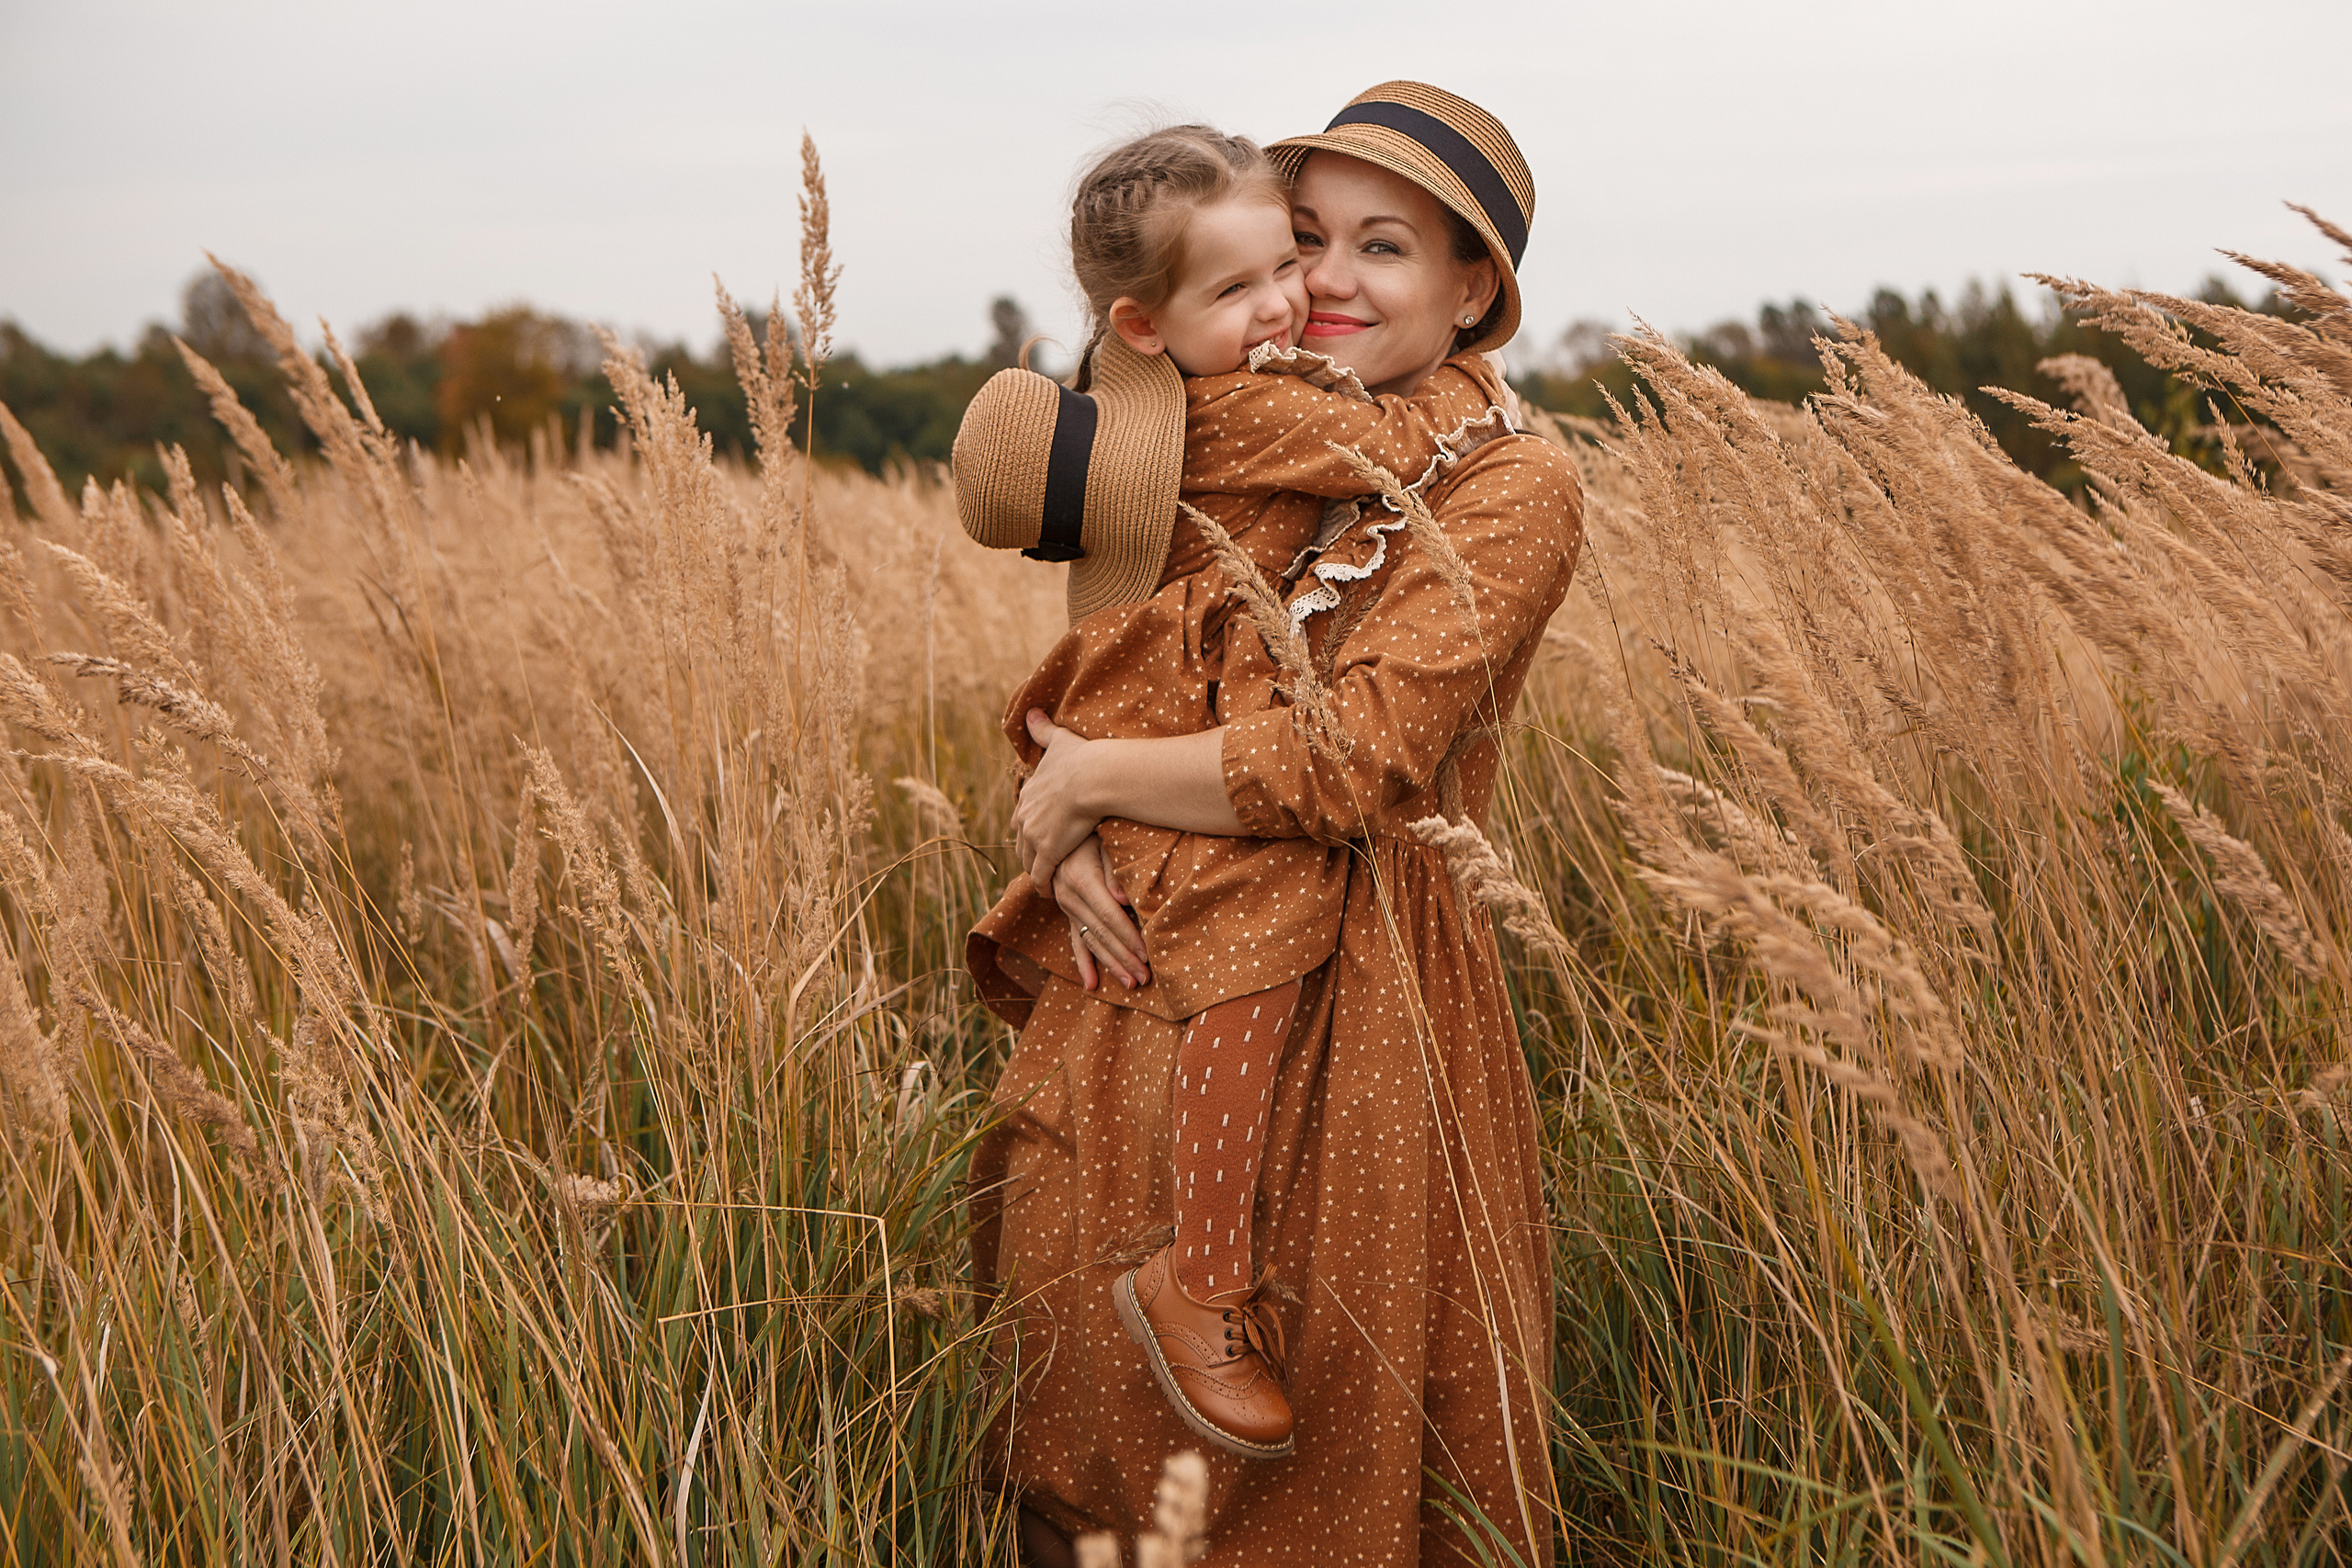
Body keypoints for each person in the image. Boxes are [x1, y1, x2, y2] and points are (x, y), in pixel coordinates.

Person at [970, 82, 1585, 1567]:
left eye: (1386, 247)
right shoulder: (1188, 426)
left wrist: (1095, 785)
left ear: (1473, 290)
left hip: (1361, 996)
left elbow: (1354, 762)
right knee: (1088, 1425)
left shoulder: (1510, 482)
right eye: (1308, 236)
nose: (1328, 280)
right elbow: (1103, 668)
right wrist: (1064, 819)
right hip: (1131, 976)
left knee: (1324, 1417)